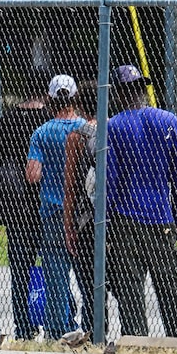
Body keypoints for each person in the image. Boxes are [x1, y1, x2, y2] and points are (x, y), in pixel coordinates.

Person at [106, 65, 177, 338]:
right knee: (170, 286)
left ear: (119, 94)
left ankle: (136, 339)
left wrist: (107, 219)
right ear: (143, 91)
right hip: (161, 215)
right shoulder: (168, 120)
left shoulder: (113, 126)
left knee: (130, 287)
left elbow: (110, 178)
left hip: (125, 217)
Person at [0, 78, 49, 341]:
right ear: (47, 93)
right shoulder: (48, 120)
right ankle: (55, 323)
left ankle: (23, 328)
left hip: (15, 207)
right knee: (52, 267)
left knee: (19, 271)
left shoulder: (10, 118)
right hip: (45, 204)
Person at [26, 74, 86, 340]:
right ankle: (92, 326)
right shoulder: (86, 128)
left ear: (50, 99)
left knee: (56, 273)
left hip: (53, 211)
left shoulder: (42, 132)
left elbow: (33, 175)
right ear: (74, 98)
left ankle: (56, 330)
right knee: (86, 273)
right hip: (82, 213)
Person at [62, 80, 102, 333]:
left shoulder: (77, 137)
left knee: (90, 286)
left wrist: (69, 227)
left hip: (87, 219)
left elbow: (70, 187)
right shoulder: (115, 128)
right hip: (115, 218)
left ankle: (93, 331)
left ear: (78, 103)